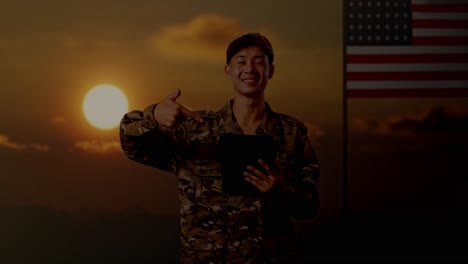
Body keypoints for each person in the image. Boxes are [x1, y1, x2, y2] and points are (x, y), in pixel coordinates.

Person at [119, 32, 320, 263]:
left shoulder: (292, 133)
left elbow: (310, 207)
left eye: (259, 61)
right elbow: (132, 145)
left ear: (270, 71)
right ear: (228, 71)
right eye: (241, 61)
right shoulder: (195, 129)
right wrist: (153, 116)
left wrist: (282, 193)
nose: (250, 68)